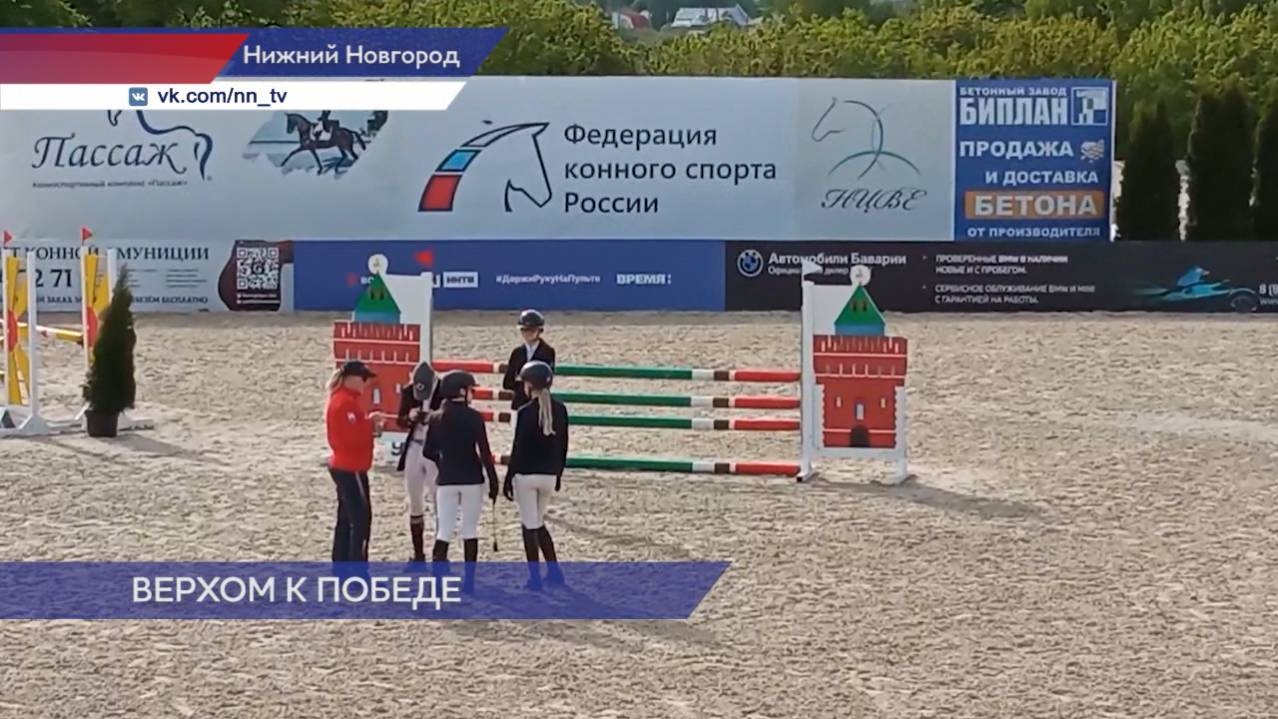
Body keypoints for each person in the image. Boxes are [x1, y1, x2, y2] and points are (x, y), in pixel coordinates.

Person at [421, 370, 500, 593]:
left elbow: (428, 451)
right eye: (470, 390)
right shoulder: (474, 417)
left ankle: (437, 582)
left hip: (447, 479)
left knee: (444, 531)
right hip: (472, 478)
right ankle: (470, 582)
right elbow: (484, 452)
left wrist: (443, 462)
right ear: (462, 392)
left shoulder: (436, 418)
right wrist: (493, 480)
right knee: (469, 529)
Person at [502, 361, 569, 590]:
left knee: (529, 525)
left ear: (529, 385)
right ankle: (554, 571)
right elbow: (563, 446)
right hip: (549, 476)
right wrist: (558, 474)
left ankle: (535, 578)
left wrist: (508, 477)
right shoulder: (561, 410)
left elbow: (518, 448)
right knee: (538, 522)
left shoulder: (525, 412)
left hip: (527, 476)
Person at [325, 360, 384, 564]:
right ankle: (357, 568)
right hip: (351, 466)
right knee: (360, 520)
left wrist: (368, 424)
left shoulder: (345, 400)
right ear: (349, 378)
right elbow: (350, 437)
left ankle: (341, 565)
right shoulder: (345, 403)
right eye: (363, 378)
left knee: (346, 519)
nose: (365, 383)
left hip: (346, 464)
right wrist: (370, 424)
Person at [396, 360, 441, 564]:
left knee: (438, 497)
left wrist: (434, 417)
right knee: (414, 498)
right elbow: (400, 419)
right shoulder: (409, 391)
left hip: (435, 447)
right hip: (415, 444)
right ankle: (418, 553)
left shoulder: (443, 390)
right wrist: (410, 417)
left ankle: (439, 554)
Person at [501, 309, 556, 411]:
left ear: (539, 330)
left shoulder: (548, 352)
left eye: (532, 330)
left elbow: (547, 381)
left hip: (540, 403)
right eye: (524, 330)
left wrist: (522, 380)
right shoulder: (517, 352)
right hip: (519, 403)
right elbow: (507, 382)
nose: (527, 333)